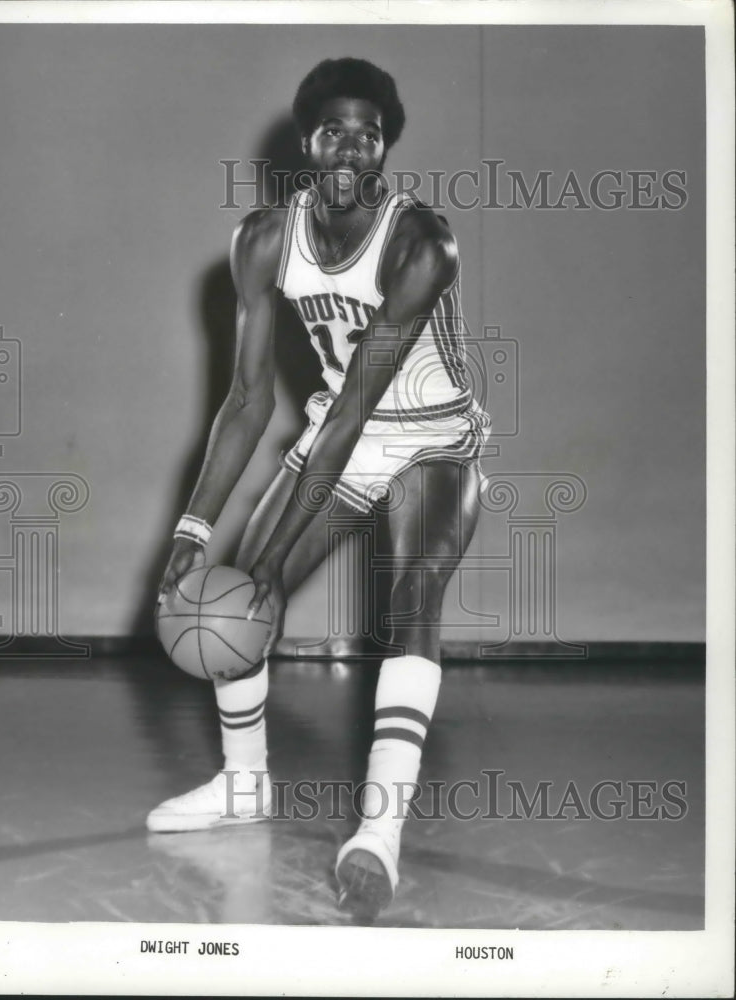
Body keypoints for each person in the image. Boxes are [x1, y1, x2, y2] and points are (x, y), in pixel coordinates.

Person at [150, 57, 490, 920]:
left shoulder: (421, 244)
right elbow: (246, 401)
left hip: (429, 441)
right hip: (337, 431)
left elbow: (352, 419)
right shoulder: (264, 239)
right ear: (305, 139)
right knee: (229, 600)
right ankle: (243, 786)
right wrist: (194, 527)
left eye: (367, 133)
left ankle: (376, 836)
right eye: (332, 129)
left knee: (411, 594)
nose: (348, 146)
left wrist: (266, 551)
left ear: (385, 147)